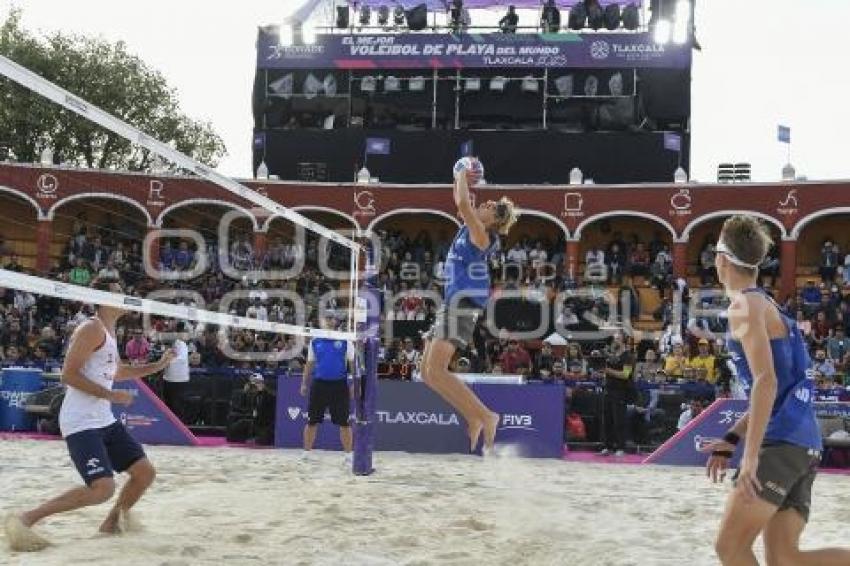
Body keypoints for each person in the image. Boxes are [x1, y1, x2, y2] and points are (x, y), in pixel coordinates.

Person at [700, 216, 850, 565]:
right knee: (786, 559)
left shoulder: (744, 306)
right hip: (804, 443)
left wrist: (750, 457)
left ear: (721, 259)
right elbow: (774, 392)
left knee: (729, 547)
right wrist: (733, 439)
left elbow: (765, 383)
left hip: (781, 443)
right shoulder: (768, 306)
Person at [4, 279, 175, 551]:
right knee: (102, 489)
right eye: (119, 292)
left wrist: (159, 364)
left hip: (103, 419)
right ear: (102, 297)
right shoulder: (91, 328)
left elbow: (117, 372)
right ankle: (26, 519)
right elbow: (68, 375)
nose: (125, 296)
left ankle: (111, 524)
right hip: (80, 422)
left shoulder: (109, 329)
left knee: (144, 473)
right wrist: (111, 395)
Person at [420, 158, 518, 452]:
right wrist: (457, 174)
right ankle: (474, 417)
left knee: (436, 370)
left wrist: (462, 169)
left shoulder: (482, 235)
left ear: (492, 219)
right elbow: (459, 198)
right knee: (426, 373)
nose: (483, 203)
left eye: (488, 205)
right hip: (452, 303)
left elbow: (463, 202)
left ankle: (487, 415)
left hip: (462, 305)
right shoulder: (470, 227)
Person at [300, 316, 355, 460]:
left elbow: (353, 364)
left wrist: (355, 383)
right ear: (322, 322)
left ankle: (348, 455)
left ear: (336, 322)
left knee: (344, 422)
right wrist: (304, 383)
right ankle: (306, 453)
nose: (330, 321)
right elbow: (309, 364)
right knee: (312, 421)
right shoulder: (315, 341)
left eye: (332, 319)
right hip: (319, 384)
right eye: (327, 319)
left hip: (339, 385)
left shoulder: (345, 340)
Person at [599, 332, 635, 457]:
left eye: (618, 339)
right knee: (607, 420)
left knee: (619, 420)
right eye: (614, 339)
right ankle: (607, 447)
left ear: (624, 341)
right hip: (608, 390)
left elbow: (625, 375)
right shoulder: (611, 356)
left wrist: (608, 371)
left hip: (620, 392)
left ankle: (621, 447)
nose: (615, 341)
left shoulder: (628, 356)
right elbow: (605, 372)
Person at [162, 322, 191, 422]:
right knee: (168, 405)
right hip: (168, 378)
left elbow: (182, 358)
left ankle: (181, 428)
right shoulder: (166, 346)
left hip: (180, 380)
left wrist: (167, 361)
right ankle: (169, 427)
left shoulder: (181, 344)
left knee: (177, 406)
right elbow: (162, 358)